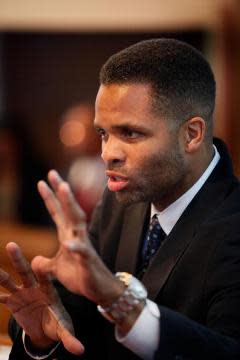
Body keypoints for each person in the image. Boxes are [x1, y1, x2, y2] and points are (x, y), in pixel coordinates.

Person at [0, 38, 240, 359]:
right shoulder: (120, 200)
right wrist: (44, 332)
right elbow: (74, 312)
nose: (107, 153)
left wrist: (120, 300)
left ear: (191, 135)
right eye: (103, 133)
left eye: (130, 133)